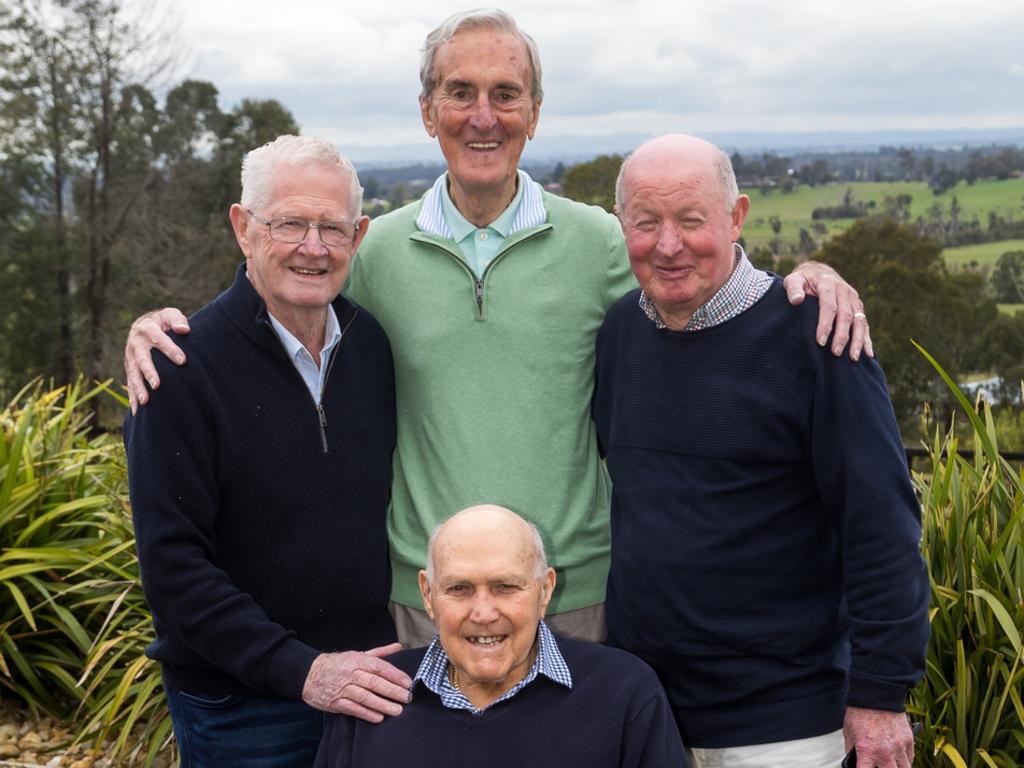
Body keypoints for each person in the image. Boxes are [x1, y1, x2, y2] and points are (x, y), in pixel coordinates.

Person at [123, 10, 872, 649]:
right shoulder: (374, 250)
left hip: (578, 597)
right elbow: (280, 289)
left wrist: (805, 283)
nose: (484, 115)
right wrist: (167, 326)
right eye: (461, 93)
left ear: (535, 112)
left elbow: (705, 298)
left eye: (505, 94)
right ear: (428, 110)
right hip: (425, 602)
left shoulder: (606, 243)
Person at [593, 134, 931, 768]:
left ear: (736, 216)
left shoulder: (816, 336)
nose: (668, 245)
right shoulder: (618, 334)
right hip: (648, 715)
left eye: (691, 221)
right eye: (646, 224)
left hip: (787, 724)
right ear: (622, 227)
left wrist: (882, 696)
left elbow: (881, 524)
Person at [123, 135, 414, 767]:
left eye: (332, 228)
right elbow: (173, 570)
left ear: (359, 236)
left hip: (371, 685)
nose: (313, 247)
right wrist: (303, 670)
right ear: (243, 228)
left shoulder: (372, 349)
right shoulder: (178, 368)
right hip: (242, 707)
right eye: (290, 223)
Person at [314, 504, 689, 768]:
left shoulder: (624, 692)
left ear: (545, 591)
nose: (483, 613)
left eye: (505, 586)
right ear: (427, 594)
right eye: (459, 588)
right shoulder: (369, 693)